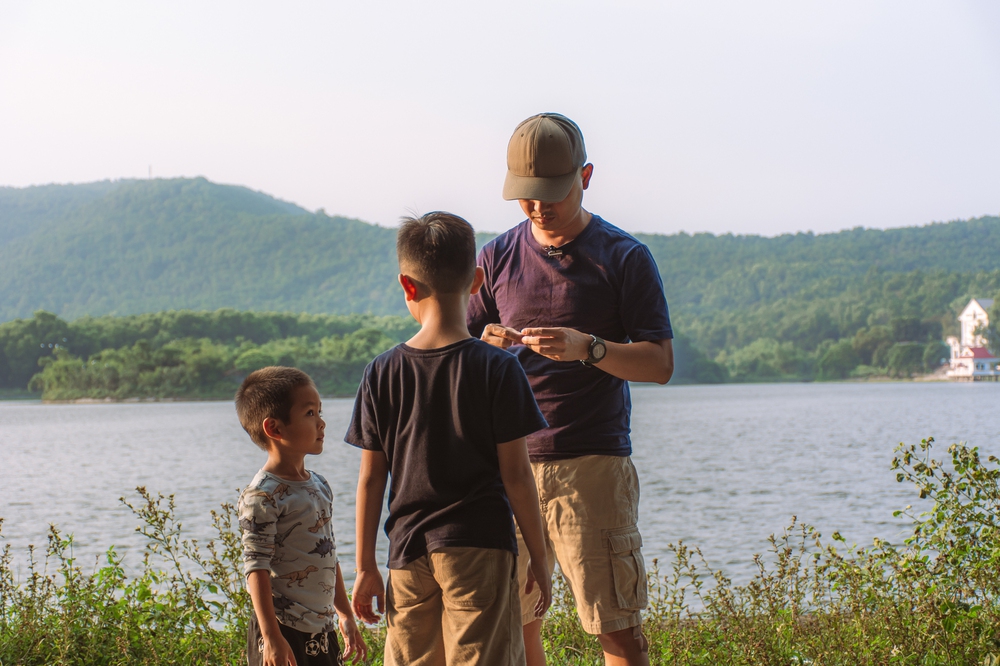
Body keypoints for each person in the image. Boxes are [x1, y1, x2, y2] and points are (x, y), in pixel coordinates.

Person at [468, 113, 674, 666]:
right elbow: (459, 351)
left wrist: (592, 348)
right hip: (505, 465)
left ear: (586, 177)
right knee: (513, 620)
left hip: (591, 466)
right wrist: (484, 340)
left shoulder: (624, 257)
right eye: (527, 198)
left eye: (551, 195)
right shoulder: (493, 258)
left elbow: (659, 364)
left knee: (617, 631)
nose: (538, 208)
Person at [347, 212, 553, 666]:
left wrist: (365, 567)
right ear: (478, 280)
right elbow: (517, 474)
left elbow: (370, 481)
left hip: (407, 549)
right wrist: (539, 556)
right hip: (481, 544)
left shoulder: (381, 371)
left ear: (407, 285)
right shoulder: (498, 367)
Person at [236, 366, 366, 666]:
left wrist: (344, 614)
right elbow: (255, 568)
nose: (321, 423)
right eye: (310, 414)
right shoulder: (262, 496)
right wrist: (271, 638)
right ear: (275, 429)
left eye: (319, 412)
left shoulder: (319, 485)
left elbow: (327, 557)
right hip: (282, 629)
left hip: (322, 629)